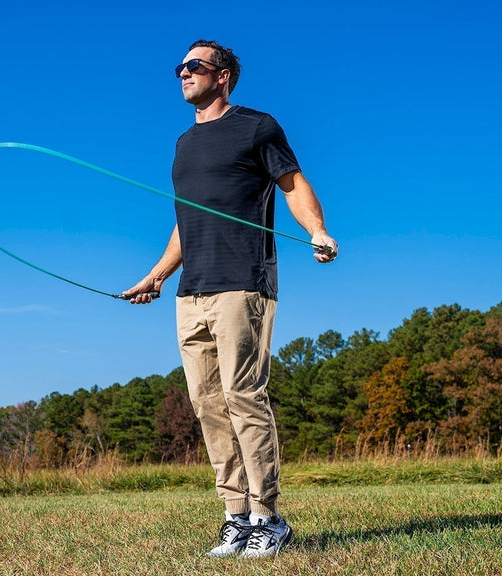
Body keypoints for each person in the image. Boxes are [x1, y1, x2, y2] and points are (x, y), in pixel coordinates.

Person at [124, 39, 338, 559]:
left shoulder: (256, 126)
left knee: (244, 399)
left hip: (243, 281)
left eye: (194, 66)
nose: (183, 73)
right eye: (180, 67)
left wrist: (318, 231)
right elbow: (185, 222)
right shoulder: (182, 144)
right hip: (190, 290)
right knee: (206, 404)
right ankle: (236, 518)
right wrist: (155, 276)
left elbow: (292, 184)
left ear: (223, 77)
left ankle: (268, 517)